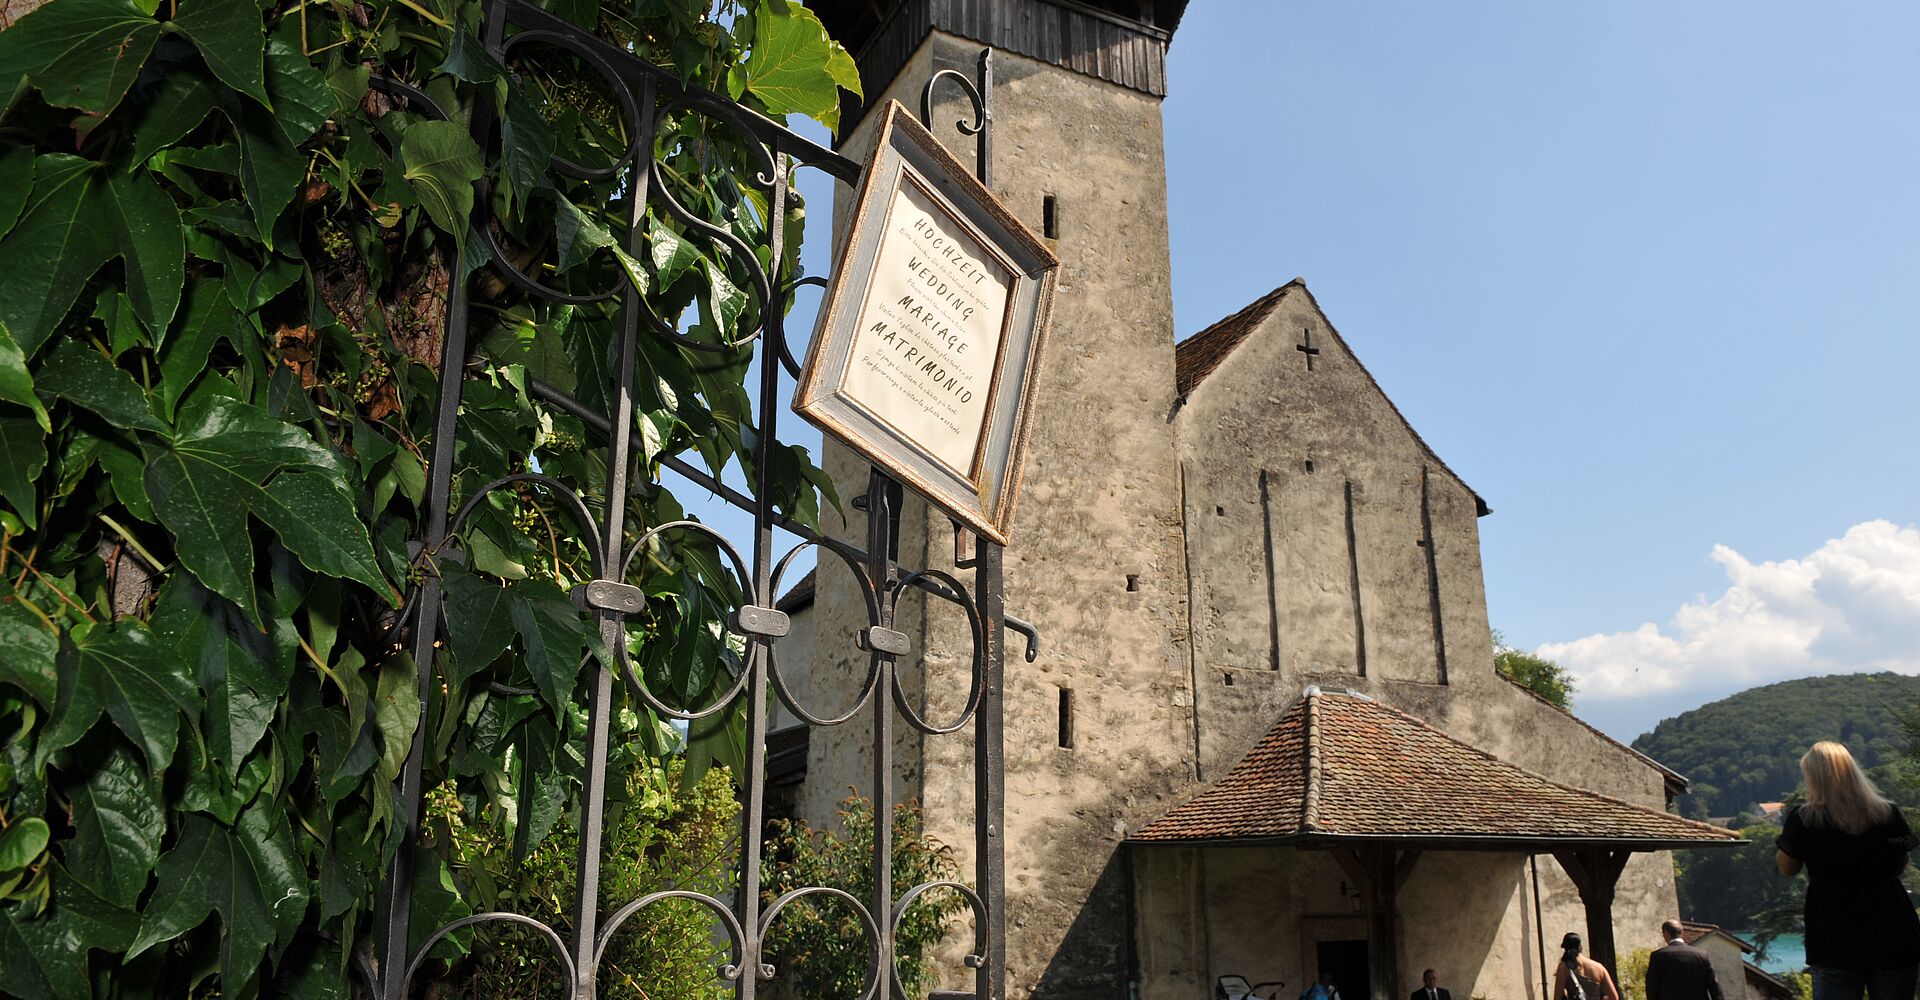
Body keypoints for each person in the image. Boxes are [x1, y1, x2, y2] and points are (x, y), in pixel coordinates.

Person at [1776, 741, 1920, 1000]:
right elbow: (1901, 863)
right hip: (1893, 928)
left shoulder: (1804, 819)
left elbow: (1787, 868)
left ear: (1814, 778)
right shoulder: (1888, 814)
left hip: (1833, 932)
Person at [1645, 918, 1722, 1000]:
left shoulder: (1658, 956)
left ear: (1666, 933)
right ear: (1682, 933)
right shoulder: (1701, 955)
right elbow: (1714, 986)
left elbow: (1652, 987)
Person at [1551, 932, 1621, 1000]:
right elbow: (1614, 997)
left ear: (1565, 948)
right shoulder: (1599, 967)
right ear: (1580, 946)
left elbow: (1557, 997)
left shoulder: (1563, 967)